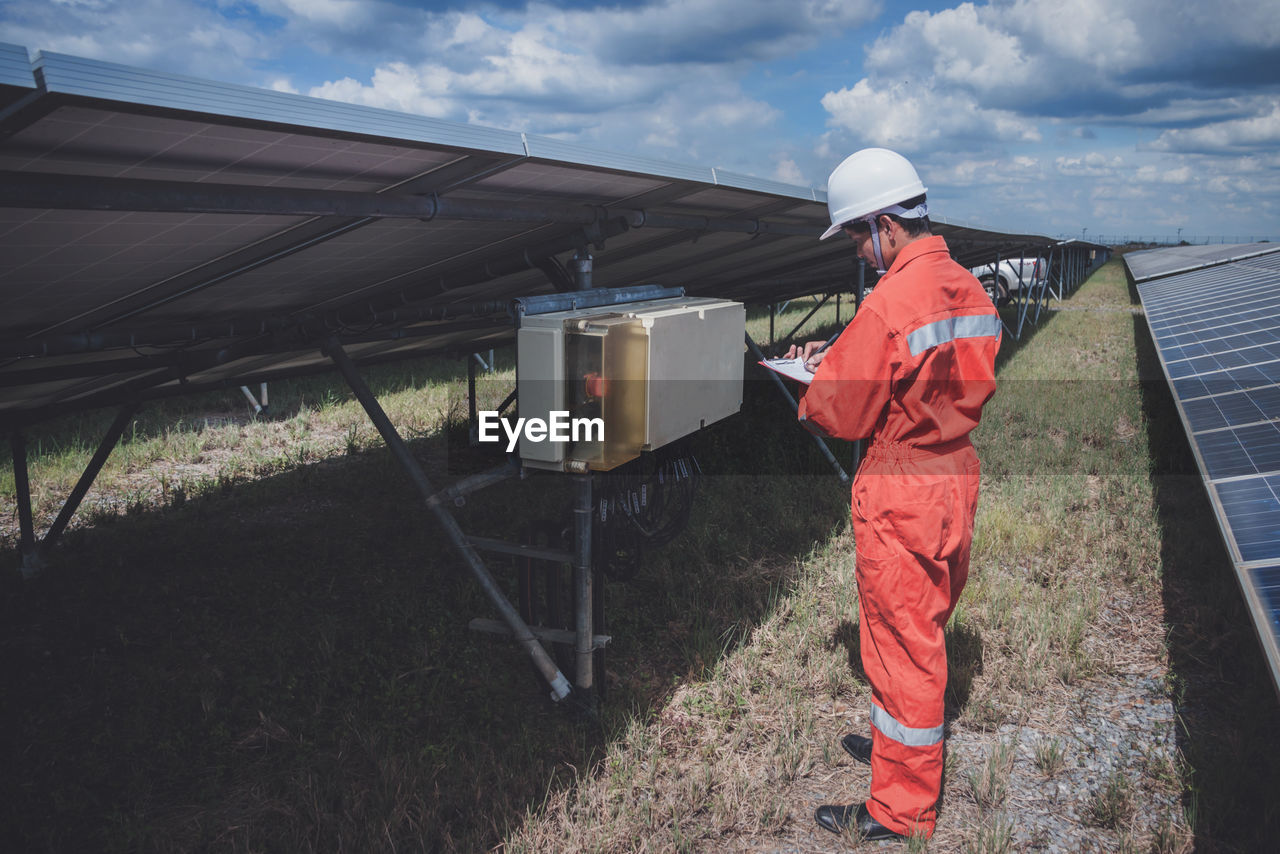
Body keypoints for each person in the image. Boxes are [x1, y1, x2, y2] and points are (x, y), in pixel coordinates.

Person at [788, 148, 1001, 841]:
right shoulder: (967, 287)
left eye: (857, 233)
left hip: (901, 484)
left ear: (886, 224)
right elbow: (925, 372)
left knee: (902, 646)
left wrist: (812, 377)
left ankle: (900, 811)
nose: (859, 248)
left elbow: (844, 413)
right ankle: (898, 755)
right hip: (953, 472)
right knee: (926, 625)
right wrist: (845, 354)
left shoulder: (889, 301)